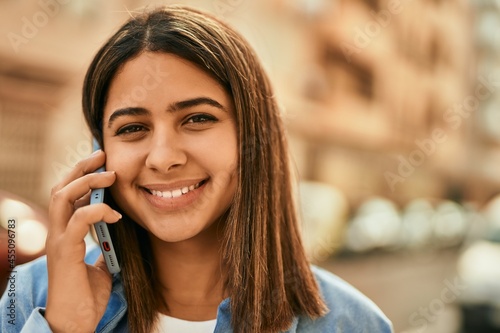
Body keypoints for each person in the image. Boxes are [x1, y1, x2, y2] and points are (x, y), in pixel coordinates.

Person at [0, 5, 393, 333]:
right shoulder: (31, 294)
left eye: (197, 119)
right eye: (132, 128)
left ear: (253, 136)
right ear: (99, 152)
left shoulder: (351, 322)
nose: (162, 157)